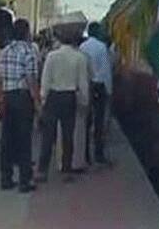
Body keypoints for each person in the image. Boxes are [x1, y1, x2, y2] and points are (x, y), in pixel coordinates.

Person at [36, 27, 90, 182]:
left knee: (48, 135)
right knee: (68, 136)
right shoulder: (80, 58)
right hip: (70, 97)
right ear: (74, 40)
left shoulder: (52, 56)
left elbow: (45, 80)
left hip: (53, 96)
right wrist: (84, 102)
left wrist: (43, 98)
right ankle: (66, 170)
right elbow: (83, 83)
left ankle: (42, 170)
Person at [0, 19, 40, 193]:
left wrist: (0, 98)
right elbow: (31, 79)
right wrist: (37, 101)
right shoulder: (28, 51)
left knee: (7, 139)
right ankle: (24, 180)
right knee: (24, 139)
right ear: (26, 33)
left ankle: (6, 178)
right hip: (22, 98)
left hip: (8, 96)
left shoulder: (5, 51)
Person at [78, 22, 113, 166]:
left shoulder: (82, 47)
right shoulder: (101, 47)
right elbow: (105, 71)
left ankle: (85, 155)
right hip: (99, 87)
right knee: (98, 123)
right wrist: (109, 90)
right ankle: (98, 155)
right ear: (97, 31)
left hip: (86, 85)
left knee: (86, 121)